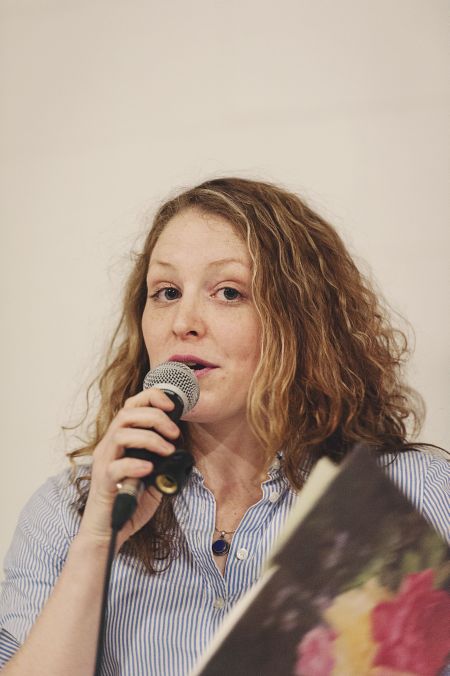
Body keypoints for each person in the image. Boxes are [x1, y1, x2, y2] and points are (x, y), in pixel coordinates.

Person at [0, 177, 448, 675]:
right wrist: (97, 542)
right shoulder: (67, 513)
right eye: (166, 292)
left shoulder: (415, 494)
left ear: (300, 320)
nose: (183, 321)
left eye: (228, 293)